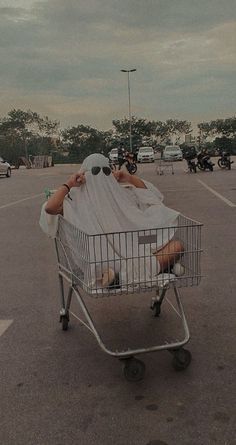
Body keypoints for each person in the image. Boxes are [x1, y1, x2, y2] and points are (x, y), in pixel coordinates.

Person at [42, 153, 183, 288]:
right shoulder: (78, 200)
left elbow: (50, 207)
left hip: (107, 263)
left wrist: (69, 184)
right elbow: (153, 198)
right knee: (176, 246)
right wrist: (128, 178)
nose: (102, 175)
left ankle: (119, 277)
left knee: (163, 243)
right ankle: (148, 271)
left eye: (106, 171)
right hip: (129, 254)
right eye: (97, 171)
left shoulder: (75, 200)